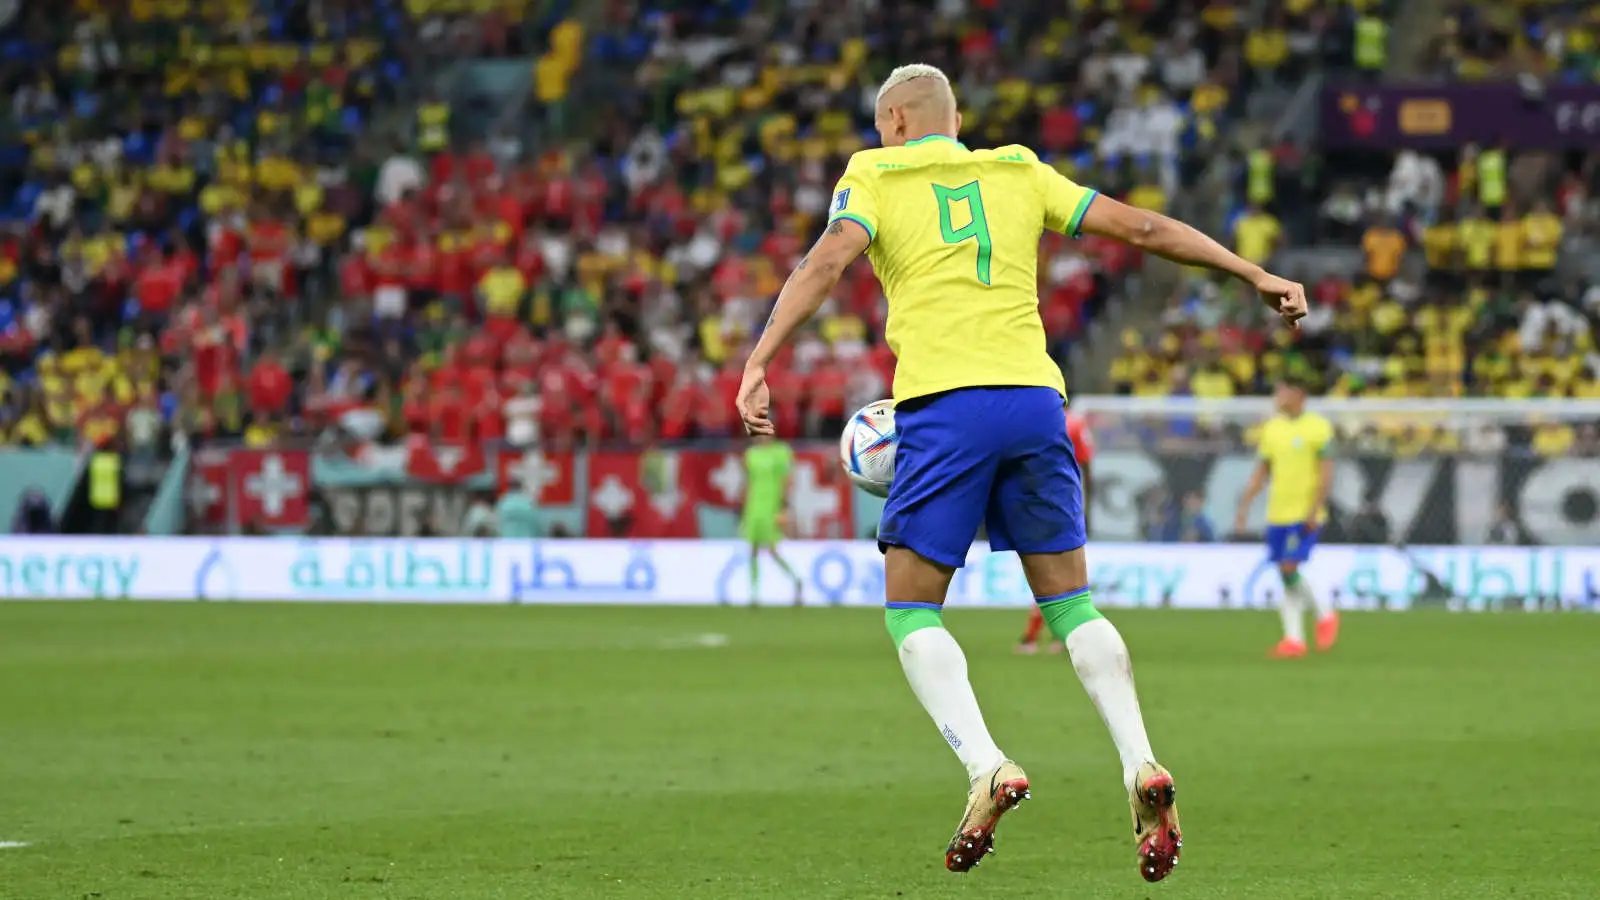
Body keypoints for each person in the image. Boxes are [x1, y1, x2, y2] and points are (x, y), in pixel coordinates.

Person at [734, 63, 1307, 882]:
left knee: (909, 611)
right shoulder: (1017, 169)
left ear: (893, 121)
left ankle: (986, 765)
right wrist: (1254, 275)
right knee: (1073, 602)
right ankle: (1140, 760)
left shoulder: (873, 172)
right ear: (954, 118)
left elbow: (829, 259)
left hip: (944, 404)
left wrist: (761, 359)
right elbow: (1142, 229)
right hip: (1039, 403)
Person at [1233, 377, 1338, 658]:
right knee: (1283, 571)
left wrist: (1316, 509)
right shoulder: (1272, 428)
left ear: (1298, 393)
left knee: (1289, 567)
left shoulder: (1318, 427)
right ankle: (1294, 640)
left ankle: (1324, 614)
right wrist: (1245, 505)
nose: (1277, 396)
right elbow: (1263, 470)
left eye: (1282, 391)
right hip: (1277, 513)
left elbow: (1326, 471)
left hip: (1304, 512)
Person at [1016, 405, 1094, 655]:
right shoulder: (1074, 424)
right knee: (1066, 578)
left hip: (1036, 505)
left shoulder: (1027, 417)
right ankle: (1062, 636)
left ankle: (1033, 638)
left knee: (1045, 575)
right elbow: (1087, 465)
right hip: (1065, 505)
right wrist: (1087, 505)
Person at [740, 431, 804, 605]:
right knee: (752, 549)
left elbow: (787, 479)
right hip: (754, 508)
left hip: (771, 508)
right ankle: (754, 594)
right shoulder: (751, 454)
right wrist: (744, 508)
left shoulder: (781, 452)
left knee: (772, 550)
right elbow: (749, 482)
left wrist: (784, 505)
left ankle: (796, 580)